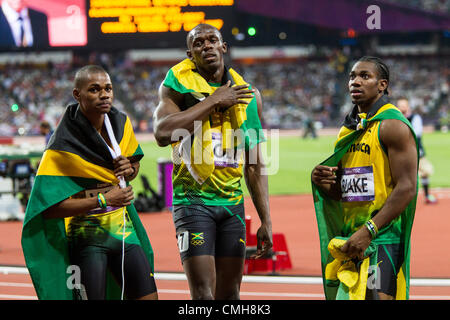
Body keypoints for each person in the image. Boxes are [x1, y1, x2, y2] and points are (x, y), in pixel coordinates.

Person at [153, 23, 273, 300]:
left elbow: (254, 163)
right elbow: (161, 133)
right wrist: (213, 101)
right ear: (190, 54)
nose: (206, 45)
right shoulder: (176, 85)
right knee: (203, 295)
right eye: (198, 43)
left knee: (229, 295)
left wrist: (266, 220)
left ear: (223, 47)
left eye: (212, 40)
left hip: (232, 205)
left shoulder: (249, 95)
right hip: (193, 203)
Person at [21, 65, 157, 300]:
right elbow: (50, 209)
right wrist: (104, 199)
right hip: (87, 237)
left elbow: (132, 166)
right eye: (94, 90)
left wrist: (130, 168)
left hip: (124, 230)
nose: (104, 94)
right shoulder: (62, 144)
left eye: (108, 89)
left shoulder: (120, 123)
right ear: (77, 95)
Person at [311, 56, 418, 300]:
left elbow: (407, 187)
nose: (355, 82)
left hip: (381, 238)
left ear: (382, 85)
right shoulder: (348, 129)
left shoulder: (392, 125)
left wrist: (369, 230)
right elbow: (346, 192)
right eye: (352, 76)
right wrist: (326, 183)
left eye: (364, 76)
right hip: (352, 238)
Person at [397, 97, 437, 204]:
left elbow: (417, 134)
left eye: (404, 105)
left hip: (417, 151)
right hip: (401, 154)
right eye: (400, 106)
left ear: (408, 106)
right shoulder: (395, 119)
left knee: (425, 172)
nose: (402, 108)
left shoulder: (415, 117)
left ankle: (427, 195)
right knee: (401, 177)